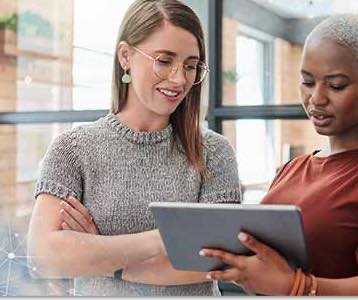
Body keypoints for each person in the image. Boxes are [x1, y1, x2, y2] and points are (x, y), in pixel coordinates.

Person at [199, 14, 358, 296]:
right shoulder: (292, 169)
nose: (316, 98)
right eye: (307, 82)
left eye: (336, 85)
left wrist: (296, 287)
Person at [27, 0, 240, 296]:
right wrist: (163, 239)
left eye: (191, 66)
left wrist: (105, 258)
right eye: (164, 61)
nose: (179, 79)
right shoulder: (72, 149)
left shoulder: (214, 152)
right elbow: (44, 258)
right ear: (125, 56)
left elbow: (217, 260)